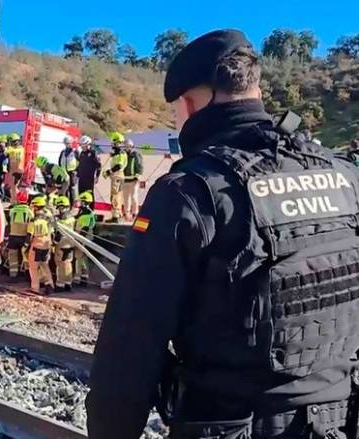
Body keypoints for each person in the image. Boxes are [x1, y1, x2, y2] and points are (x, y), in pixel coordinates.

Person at [86, 29, 359, 439]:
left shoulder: (187, 193)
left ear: (192, 104)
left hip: (232, 425)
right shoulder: (345, 177)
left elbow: (129, 350)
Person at [26, 195, 54, 295]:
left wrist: (25, 246)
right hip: (46, 245)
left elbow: (29, 236)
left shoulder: (33, 221)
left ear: (36, 207)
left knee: (33, 268)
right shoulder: (48, 220)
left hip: (36, 245)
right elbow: (52, 232)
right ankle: (50, 284)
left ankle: (35, 288)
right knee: (45, 266)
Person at [102, 133, 128, 223]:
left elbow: (119, 166)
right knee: (116, 195)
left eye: (113, 143)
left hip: (117, 176)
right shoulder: (118, 153)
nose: (111, 145)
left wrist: (109, 172)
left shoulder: (120, 153)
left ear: (117, 143)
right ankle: (117, 214)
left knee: (115, 196)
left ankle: (116, 216)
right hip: (116, 176)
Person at [7, 191, 33, 278]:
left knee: (13, 255)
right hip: (24, 237)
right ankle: (27, 274)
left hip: (13, 236)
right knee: (25, 255)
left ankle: (13, 274)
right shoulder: (29, 212)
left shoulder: (12, 211)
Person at [52, 196, 76, 292]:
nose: (59, 210)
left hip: (62, 245)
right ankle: (68, 283)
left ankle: (60, 285)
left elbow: (59, 234)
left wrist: (54, 242)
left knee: (60, 265)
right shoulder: (72, 218)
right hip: (70, 244)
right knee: (68, 264)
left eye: (59, 208)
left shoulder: (61, 220)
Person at [121, 139, 143, 220]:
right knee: (126, 198)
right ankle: (127, 213)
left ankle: (135, 213)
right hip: (125, 180)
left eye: (129, 146)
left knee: (134, 197)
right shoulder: (123, 154)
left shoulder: (135, 154)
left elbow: (140, 166)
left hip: (134, 180)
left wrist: (137, 176)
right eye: (126, 146)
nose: (127, 148)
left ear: (132, 146)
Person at [5, 133, 26, 202]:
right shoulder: (19, 149)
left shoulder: (17, 149)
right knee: (13, 187)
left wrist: (7, 147)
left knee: (13, 187)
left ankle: (16, 201)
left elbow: (7, 151)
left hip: (16, 171)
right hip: (15, 171)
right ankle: (17, 200)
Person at [59, 136, 79, 204]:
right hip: (65, 173)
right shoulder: (63, 152)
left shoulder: (75, 152)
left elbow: (79, 162)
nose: (67, 145)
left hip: (72, 172)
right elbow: (59, 162)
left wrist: (77, 170)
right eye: (66, 143)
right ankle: (66, 204)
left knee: (72, 188)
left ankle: (72, 204)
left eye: (68, 143)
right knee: (65, 189)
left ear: (71, 143)